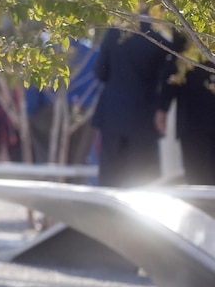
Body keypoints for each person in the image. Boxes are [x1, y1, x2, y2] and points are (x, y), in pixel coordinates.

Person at [91, 18, 171, 186]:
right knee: (141, 179)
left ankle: (108, 213)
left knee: (109, 178)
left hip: (112, 114)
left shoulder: (114, 32)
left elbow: (100, 72)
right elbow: (167, 77)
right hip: (144, 117)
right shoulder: (157, 36)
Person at [156, 32, 215, 185]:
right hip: (193, 118)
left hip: (192, 118)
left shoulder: (185, 24)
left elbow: (174, 66)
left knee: (199, 181)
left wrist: (162, 108)